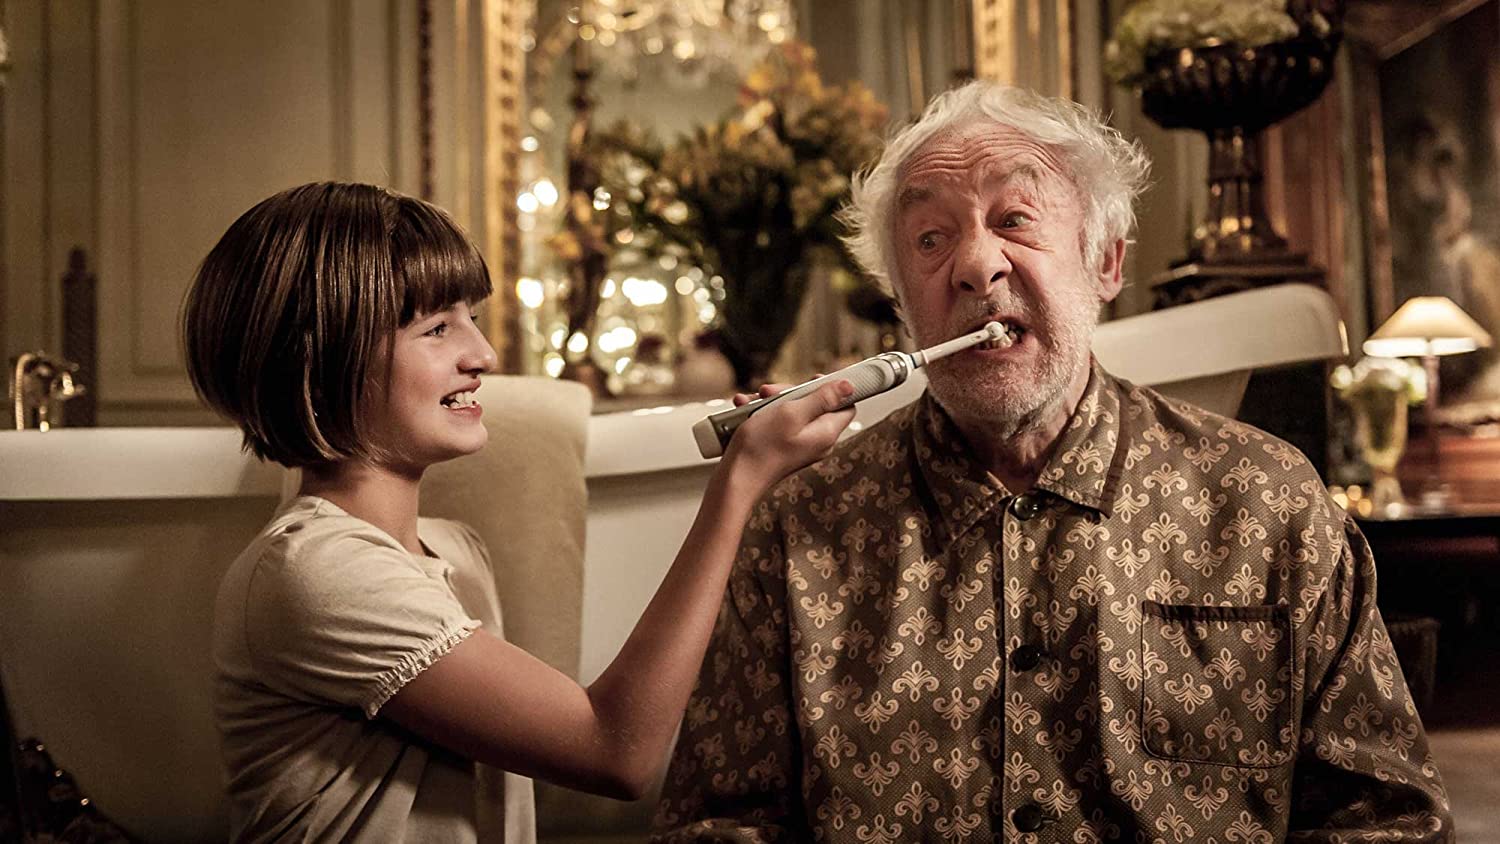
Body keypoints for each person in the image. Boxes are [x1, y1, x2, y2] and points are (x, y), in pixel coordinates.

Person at [653, 81, 1453, 841]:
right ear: (901, 302)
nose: (975, 265)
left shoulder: (1268, 503)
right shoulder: (800, 525)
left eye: (1015, 219)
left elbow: (1386, 821)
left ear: (1106, 264)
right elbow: (720, 825)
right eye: (930, 239)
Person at [181, 181, 856, 842]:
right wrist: (740, 481)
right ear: (319, 363)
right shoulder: (318, 571)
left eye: (471, 319)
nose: (484, 355)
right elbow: (617, 751)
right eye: (437, 328)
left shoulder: (455, 551)